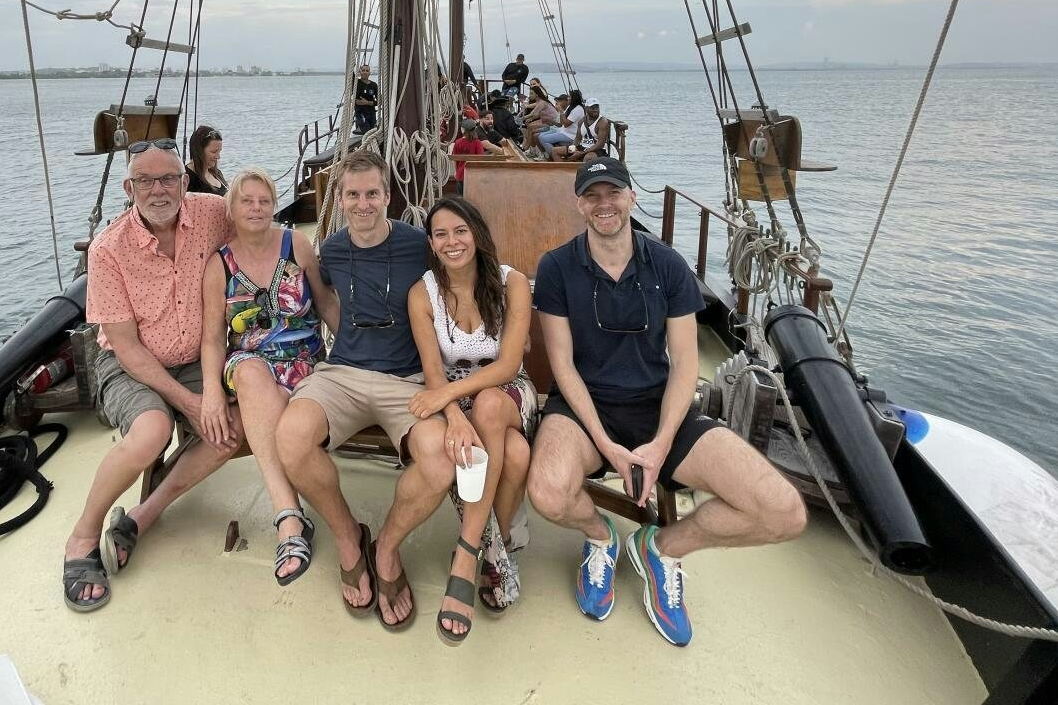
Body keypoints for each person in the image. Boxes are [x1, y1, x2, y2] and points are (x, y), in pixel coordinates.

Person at [525, 159, 807, 645]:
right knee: (548, 492)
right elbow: (563, 367)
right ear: (579, 205)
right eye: (592, 195)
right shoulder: (557, 267)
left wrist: (660, 445)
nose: (603, 204)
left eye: (613, 193)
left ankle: (661, 547)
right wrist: (608, 445)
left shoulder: (669, 266)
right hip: (584, 409)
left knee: (783, 512)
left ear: (632, 198)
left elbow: (683, 364)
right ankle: (600, 536)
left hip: (661, 408)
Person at [276, 149, 453, 630]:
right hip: (345, 374)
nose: (362, 204)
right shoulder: (331, 249)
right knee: (290, 439)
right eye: (352, 194)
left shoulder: (420, 245)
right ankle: (350, 539)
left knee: (438, 462)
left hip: (408, 380)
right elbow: (328, 298)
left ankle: (388, 549)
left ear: (387, 196)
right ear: (340, 197)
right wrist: (346, 330)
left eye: (372, 193)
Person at [62, 139, 237, 612]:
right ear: (129, 185)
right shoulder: (108, 250)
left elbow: (262, 225)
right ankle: (81, 537)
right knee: (152, 433)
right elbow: (126, 347)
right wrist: (190, 401)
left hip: (200, 354)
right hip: (131, 365)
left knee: (232, 432)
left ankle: (140, 517)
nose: (158, 189)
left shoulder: (212, 213)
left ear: (185, 180)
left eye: (169, 178)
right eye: (146, 180)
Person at [406, 196, 537, 644]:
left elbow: (506, 366)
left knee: (486, 405)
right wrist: (450, 415)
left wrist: (448, 399)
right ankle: (495, 550)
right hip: (452, 393)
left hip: (508, 390)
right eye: (441, 234)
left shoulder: (512, 284)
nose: (452, 241)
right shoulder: (422, 295)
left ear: (477, 234)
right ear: (431, 242)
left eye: (460, 231)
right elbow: (433, 373)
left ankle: (466, 553)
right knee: (514, 457)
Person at [199, 168, 336, 585]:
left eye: (264, 201)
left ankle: (293, 515)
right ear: (232, 209)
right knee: (252, 374)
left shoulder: (296, 244)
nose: (256, 208)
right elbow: (211, 339)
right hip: (250, 362)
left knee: (275, 406)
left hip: (305, 359)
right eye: (247, 201)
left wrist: (355, 353)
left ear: (274, 205)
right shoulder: (219, 266)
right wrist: (210, 393)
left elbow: (326, 303)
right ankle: (289, 519)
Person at [186, 125, 228, 195]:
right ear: (199, 151)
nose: (218, 157)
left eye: (219, 151)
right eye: (214, 152)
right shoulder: (188, 178)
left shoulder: (217, 173)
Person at [537, 93, 579, 157]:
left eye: (569, 98)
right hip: (562, 130)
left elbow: (564, 124)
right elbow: (562, 124)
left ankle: (553, 155)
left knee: (543, 138)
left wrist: (561, 112)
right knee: (540, 136)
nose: (568, 99)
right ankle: (549, 154)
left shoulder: (576, 110)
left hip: (569, 134)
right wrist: (561, 112)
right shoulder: (569, 108)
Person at [353, 64, 379, 134]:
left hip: (371, 113)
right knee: (366, 131)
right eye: (363, 70)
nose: (365, 72)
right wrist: (352, 65)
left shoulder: (374, 85)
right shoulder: (355, 83)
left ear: (370, 73)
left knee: (372, 132)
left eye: (367, 70)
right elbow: (350, 75)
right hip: (360, 113)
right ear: (360, 72)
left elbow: (379, 102)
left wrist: (367, 102)